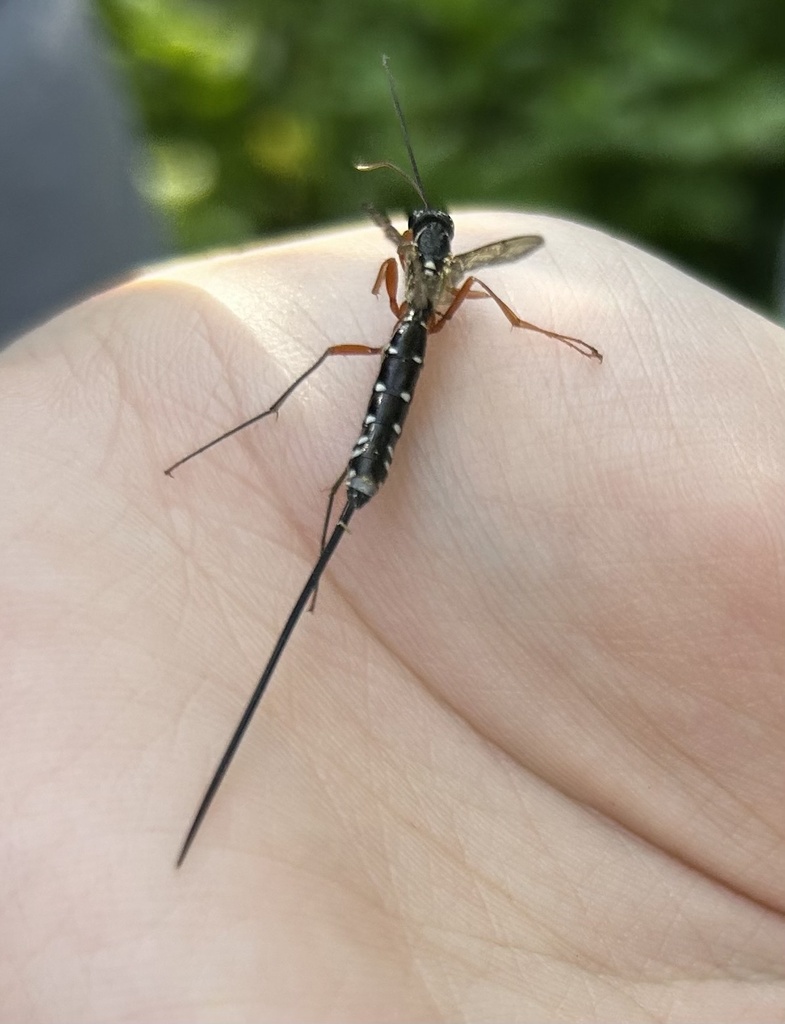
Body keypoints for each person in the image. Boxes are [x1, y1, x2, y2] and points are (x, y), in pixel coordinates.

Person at [1, 213, 783, 1020]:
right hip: (404, 358)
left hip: (398, 368)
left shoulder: (420, 266)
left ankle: (337, 491)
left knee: (369, 385)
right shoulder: (434, 272)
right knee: (374, 378)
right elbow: (472, 267)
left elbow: (448, 263)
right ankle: (312, 469)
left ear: (420, 247)